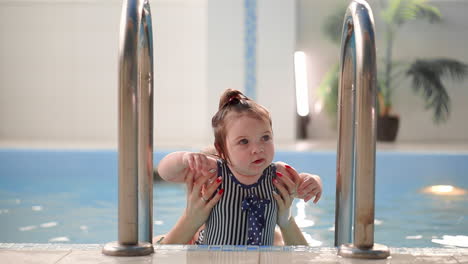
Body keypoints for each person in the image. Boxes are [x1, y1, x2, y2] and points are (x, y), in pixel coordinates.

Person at [156, 88, 322, 245]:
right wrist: (184, 158)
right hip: (210, 256)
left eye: (265, 137)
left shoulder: (277, 175)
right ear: (221, 150)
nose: (258, 149)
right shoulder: (215, 172)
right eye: (244, 141)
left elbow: (301, 185)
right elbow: (165, 172)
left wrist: (313, 181)